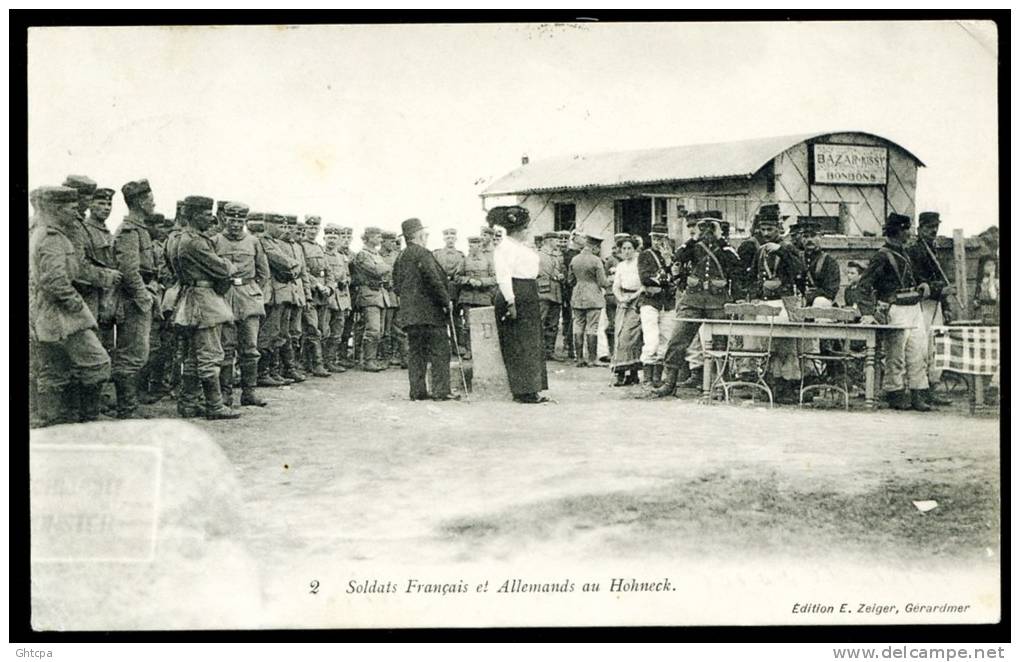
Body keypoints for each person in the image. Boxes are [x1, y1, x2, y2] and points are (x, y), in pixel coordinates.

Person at [30, 186, 113, 426]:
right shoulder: (52, 238)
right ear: (57, 209)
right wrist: (76, 305)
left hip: (48, 313)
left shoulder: (47, 233)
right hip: (62, 315)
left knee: (55, 369)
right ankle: (88, 419)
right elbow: (54, 281)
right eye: (72, 208)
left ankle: (54, 420)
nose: (76, 213)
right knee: (98, 363)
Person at [167, 195, 240, 420]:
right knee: (210, 353)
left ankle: (188, 403)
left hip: (190, 298)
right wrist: (230, 265)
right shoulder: (195, 241)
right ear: (193, 215)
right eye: (206, 214)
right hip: (203, 301)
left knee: (192, 356)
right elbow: (222, 269)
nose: (211, 219)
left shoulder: (179, 238)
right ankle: (214, 405)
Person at [655, 212, 741, 397]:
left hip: (717, 300)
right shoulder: (693, 246)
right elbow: (679, 257)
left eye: (711, 226)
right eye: (703, 226)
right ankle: (670, 382)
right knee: (678, 339)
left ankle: (720, 384)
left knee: (720, 342)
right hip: (692, 299)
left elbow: (736, 265)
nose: (706, 231)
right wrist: (694, 238)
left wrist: (720, 238)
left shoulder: (726, 248)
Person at [859, 213, 931, 412]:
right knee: (895, 355)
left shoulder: (904, 252)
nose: (910, 232)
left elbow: (913, 276)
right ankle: (895, 393)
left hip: (913, 307)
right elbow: (863, 285)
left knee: (918, 352)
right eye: (907, 229)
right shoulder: (882, 255)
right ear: (898, 230)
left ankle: (918, 394)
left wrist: (922, 283)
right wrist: (867, 312)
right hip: (895, 309)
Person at [489, 206, 550, 404]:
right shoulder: (504, 247)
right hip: (515, 293)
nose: (528, 231)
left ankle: (532, 388)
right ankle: (522, 390)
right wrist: (510, 301)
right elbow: (504, 276)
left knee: (531, 342)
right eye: (526, 228)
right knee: (518, 344)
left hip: (528, 292)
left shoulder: (520, 247)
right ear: (519, 229)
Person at [391, 218, 457, 401]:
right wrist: (446, 301)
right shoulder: (424, 254)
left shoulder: (401, 257)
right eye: (424, 234)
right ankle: (441, 392)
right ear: (418, 235)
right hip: (430, 314)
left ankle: (417, 392)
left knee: (416, 353)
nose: (426, 237)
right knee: (440, 352)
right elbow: (434, 280)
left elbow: (395, 286)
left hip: (410, 316)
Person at [213, 202, 270, 407]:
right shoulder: (215, 240)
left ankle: (249, 393)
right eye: (232, 220)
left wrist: (254, 291)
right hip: (224, 296)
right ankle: (226, 394)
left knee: (250, 348)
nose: (236, 224)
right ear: (224, 219)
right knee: (226, 348)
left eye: (240, 220)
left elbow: (263, 273)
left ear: (245, 221)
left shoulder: (254, 242)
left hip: (249, 298)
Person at [747, 205, 805, 403]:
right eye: (762, 230)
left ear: (779, 229)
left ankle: (787, 387)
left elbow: (799, 270)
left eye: (770, 229)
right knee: (767, 345)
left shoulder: (788, 248)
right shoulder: (761, 250)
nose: (766, 234)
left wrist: (781, 251)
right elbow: (754, 275)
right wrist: (755, 295)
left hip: (784, 301)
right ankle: (770, 385)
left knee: (786, 346)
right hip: (765, 302)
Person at [112, 178, 158, 418]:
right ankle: (126, 409)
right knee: (132, 352)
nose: (154, 203)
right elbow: (129, 270)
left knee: (139, 351)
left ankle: (129, 406)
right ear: (140, 202)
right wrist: (143, 297)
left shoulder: (139, 227)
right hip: (133, 300)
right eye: (151, 200)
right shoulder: (129, 230)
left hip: (141, 296)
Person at [908, 211, 955, 406]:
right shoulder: (915, 251)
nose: (933, 230)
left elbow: (940, 280)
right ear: (919, 229)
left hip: (936, 303)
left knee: (936, 345)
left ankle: (932, 387)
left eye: (936, 227)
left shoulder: (934, 249)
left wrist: (946, 305)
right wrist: (940, 290)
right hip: (922, 305)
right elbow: (919, 280)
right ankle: (920, 390)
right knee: (921, 348)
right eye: (929, 227)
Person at [255, 214, 300, 386]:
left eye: (284, 226)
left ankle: (273, 371)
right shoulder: (264, 241)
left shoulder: (275, 242)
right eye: (280, 226)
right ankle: (262, 373)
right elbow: (285, 264)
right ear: (268, 225)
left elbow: (293, 267)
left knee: (280, 334)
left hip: (283, 293)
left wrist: (294, 267)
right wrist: (293, 266)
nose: (283, 230)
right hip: (273, 294)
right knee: (269, 334)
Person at [637, 223, 676, 387]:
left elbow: (676, 278)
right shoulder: (645, 255)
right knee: (651, 340)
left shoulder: (671, 257)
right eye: (654, 237)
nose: (657, 241)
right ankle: (646, 379)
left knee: (665, 341)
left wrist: (667, 268)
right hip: (650, 302)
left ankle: (657, 379)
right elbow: (645, 278)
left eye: (660, 238)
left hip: (667, 303)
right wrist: (666, 278)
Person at [352, 226, 391, 371]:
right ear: (368, 237)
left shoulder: (376, 254)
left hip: (379, 294)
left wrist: (383, 268)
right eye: (377, 236)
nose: (380, 239)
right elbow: (376, 270)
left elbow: (384, 273)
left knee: (379, 331)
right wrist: (385, 267)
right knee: (372, 330)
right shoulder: (363, 254)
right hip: (369, 294)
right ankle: (368, 361)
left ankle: (371, 359)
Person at [568, 232, 608, 367]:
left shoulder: (575, 259)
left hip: (578, 295)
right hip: (593, 296)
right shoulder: (596, 260)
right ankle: (592, 359)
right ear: (595, 247)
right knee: (592, 327)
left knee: (578, 326)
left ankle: (579, 358)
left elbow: (570, 280)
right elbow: (602, 282)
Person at [298, 216, 332, 377]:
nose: (312, 231)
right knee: (312, 329)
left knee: (323, 329)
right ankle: (316, 364)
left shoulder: (319, 248)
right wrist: (317, 285)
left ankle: (307, 363)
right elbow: (303, 270)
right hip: (310, 293)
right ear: (305, 228)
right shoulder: (301, 246)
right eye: (310, 228)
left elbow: (328, 271)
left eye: (315, 228)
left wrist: (329, 288)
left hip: (323, 295)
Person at [610, 236, 643, 386]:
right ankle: (621, 372)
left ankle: (633, 372)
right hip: (623, 301)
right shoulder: (621, 265)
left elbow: (644, 285)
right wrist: (621, 298)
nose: (627, 251)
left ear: (635, 249)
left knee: (631, 336)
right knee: (620, 334)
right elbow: (616, 285)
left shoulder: (640, 263)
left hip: (637, 301)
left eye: (630, 248)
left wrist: (632, 297)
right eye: (624, 248)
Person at [456, 236, 496, 360]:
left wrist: (481, 282)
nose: (471, 248)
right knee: (468, 326)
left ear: (480, 246)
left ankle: (484, 350)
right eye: (470, 245)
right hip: (468, 297)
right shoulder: (464, 260)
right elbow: (457, 277)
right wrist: (469, 280)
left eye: (474, 245)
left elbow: (495, 279)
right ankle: (469, 350)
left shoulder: (489, 260)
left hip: (484, 297)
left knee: (485, 325)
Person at [321, 223, 353, 372]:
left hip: (341, 300)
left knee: (337, 333)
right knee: (323, 331)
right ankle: (318, 362)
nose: (332, 241)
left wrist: (346, 281)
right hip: (327, 299)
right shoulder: (321, 254)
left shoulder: (342, 257)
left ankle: (331, 360)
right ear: (324, 238)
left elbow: (347, 276)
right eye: (329, 237)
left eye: (335, 237)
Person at [434, 228, 467, 356]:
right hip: (440, 289)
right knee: (440, 318)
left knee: (456, 319)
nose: (450, 240)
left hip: (455, 290)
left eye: (452, 238)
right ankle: (441, 347)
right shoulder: (437, 254)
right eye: (447, 238)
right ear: (444, 239)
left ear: (456, 239)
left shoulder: (461, 255)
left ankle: (458, 346)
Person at [536, 231, 565, 360]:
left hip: (555, 292)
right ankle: (538, 351)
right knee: (540, 322)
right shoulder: (538, 255)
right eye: (555, 240)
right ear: (549, 241)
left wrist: (559, 275)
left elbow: (557, 270)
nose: (558, 243)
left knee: (553, 324)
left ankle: (549, 351)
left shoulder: (555, 256)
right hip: (543, 292)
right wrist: (552, 275)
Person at [558, 230, 580, 360]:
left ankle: (570, 344)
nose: (562, 243)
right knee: (567, 318)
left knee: (570, 318)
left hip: (569, 290)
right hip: (559, 290)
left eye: (565, 241)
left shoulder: (571, 255)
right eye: (560, 241)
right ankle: (569, 342)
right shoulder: (560, 255)